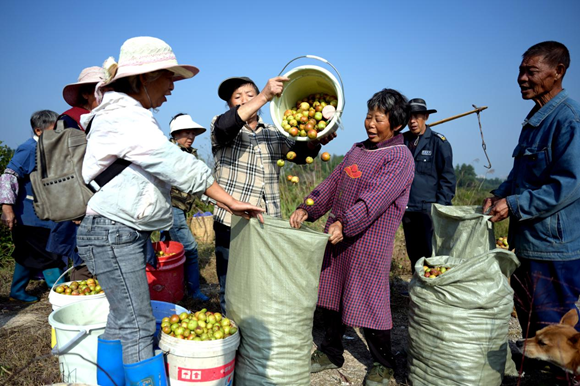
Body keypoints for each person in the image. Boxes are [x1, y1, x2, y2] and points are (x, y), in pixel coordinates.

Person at [76, 37, 263, 385]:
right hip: (113, 232)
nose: (172, 88)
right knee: (138, 324)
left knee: (122, 321)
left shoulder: (127, 114)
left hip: (117, 231)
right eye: (168, 78)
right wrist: (229, 200)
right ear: (141, 80)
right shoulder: (124, 116)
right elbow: (173, 163)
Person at [290, 88, 414, 386]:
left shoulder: (399, 157)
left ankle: (383, 365)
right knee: (330, 294)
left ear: (396, 124)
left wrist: (345, 224)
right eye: (369, 116)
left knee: (370, 302)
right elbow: (332, 184)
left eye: (379, 119)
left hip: (368, 242)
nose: (371, 123)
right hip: (337, 235)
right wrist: (307, 207)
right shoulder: (358, 149)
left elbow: (374, 200)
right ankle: (331, 352)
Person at [211, 75, 336, 313]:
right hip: (231, 219)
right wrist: (263, 96)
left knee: (263, 279)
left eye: (249, 94)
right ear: (230, 105)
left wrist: (315, 140)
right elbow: (225, 127)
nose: (244, 100)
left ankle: (259, 331)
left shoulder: (273, 132)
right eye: (237, 98)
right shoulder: (221, 125)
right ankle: (234, 334)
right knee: (232, 282)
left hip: (267, 220)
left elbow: (299, 155)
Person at [483, 41, 580, 341]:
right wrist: (500, 194)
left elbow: (567, 184)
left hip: (554, 248)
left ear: (558, 72)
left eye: (531, 71)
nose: (522, 78)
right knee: (531, 319)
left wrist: (513, 205)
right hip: (527, 241)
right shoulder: (534, 122)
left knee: (557, 330)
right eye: (521, 71)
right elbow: (521, 174)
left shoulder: (568, 120)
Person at [46, 66, 108, 281]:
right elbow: (63, 166)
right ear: (86, 93)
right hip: (82, 202)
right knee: (86, 257)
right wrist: (75, 208)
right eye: (100, 90)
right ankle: (81, 308)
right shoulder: (69, 121)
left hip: (102, 199)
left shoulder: (102, 118)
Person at [0, 110, 65, 302]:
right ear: (38, 130)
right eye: (55, 129)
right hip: (30, 215)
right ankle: (60, 292)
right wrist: (7, 209)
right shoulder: (28, 149)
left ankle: (17, 291)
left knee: (27, 254)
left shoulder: (49, 148)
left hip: (44, 213)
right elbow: (8, 176)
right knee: (50, 254)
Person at [402, 98, 456, 268]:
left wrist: (440, 208)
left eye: (417, 116)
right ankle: (416, 287)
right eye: (409, 117)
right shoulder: (401, 141)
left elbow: (448, 179)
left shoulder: (438, 142)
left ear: (425, 116)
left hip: (429, 210)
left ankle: (431, 290)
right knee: (413, 252)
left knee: (430, 253)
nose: (412, 121)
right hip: (407, 207)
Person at [165, 113, 209, 301]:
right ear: (175, 133)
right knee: (189, 248)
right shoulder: (169, 152)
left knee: (168, 250)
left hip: (180, 208)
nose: (190, 137)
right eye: (186, 133)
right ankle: (194, 291)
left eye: (192, 133)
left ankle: (171, 287)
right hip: (170, 207)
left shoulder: (190, 154)